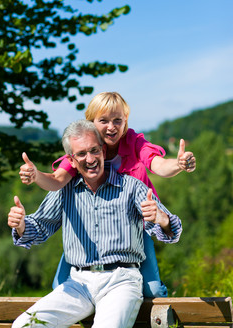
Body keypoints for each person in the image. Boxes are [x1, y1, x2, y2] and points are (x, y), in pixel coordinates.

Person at [9, 120, 182, 328]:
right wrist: (20, 225)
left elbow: (172, 231)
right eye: (81, 154)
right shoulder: (65, 190)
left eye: (94, 150)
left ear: (103, 151)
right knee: (24, 325)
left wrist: (161, 218)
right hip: (77, 283)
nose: (90, 159)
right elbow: (37, 229)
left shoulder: (131, 187)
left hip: (122, 280)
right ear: (71, 160)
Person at [19, 91, 195, 297]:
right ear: (91, 122)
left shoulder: (133, 142)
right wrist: (35, 175)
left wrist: (179, 163)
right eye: (104, 121)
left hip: (133, 225)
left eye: (117, 120)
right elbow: (57, 181)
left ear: (125, 121)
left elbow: (158, 165)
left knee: (152, 290)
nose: (111, 127)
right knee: (60, 287)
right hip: (92, 227)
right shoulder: (83, 149)